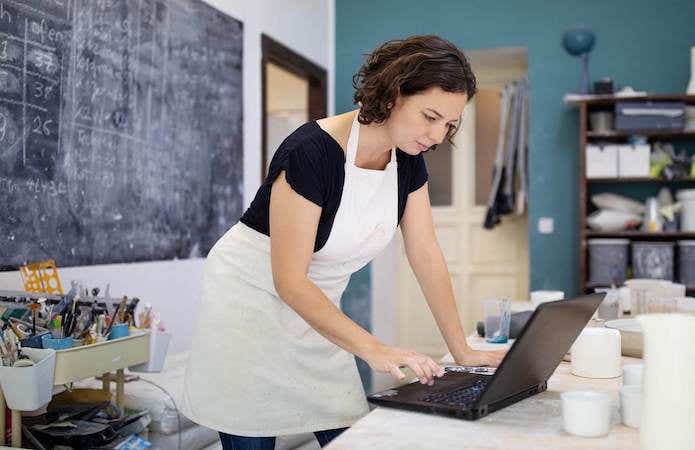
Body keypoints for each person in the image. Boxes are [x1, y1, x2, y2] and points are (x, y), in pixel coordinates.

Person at [181, 35, 506, 450]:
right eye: (430, 116)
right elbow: (290, 280)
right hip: (250, 299)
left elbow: (425, 253)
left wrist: (459, 348)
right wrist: (375, 349)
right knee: (252, 426)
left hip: (316, 309)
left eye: (449, 124)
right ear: (391, 95)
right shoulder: (311, 152)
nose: (437, 135)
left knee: (349, 432)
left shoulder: (408, 158)